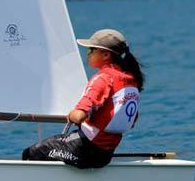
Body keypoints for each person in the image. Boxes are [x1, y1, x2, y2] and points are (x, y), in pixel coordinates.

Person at [22, 28, 145, 169]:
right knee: (57, 146)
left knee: (30, 153)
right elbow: (131, 121)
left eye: (91, 50)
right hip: (105, 155)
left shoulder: (103, 79)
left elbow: (79, 116)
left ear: (105, 55)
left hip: (84, 149)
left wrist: (72, 114)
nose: (88, 54)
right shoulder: (130, 81)